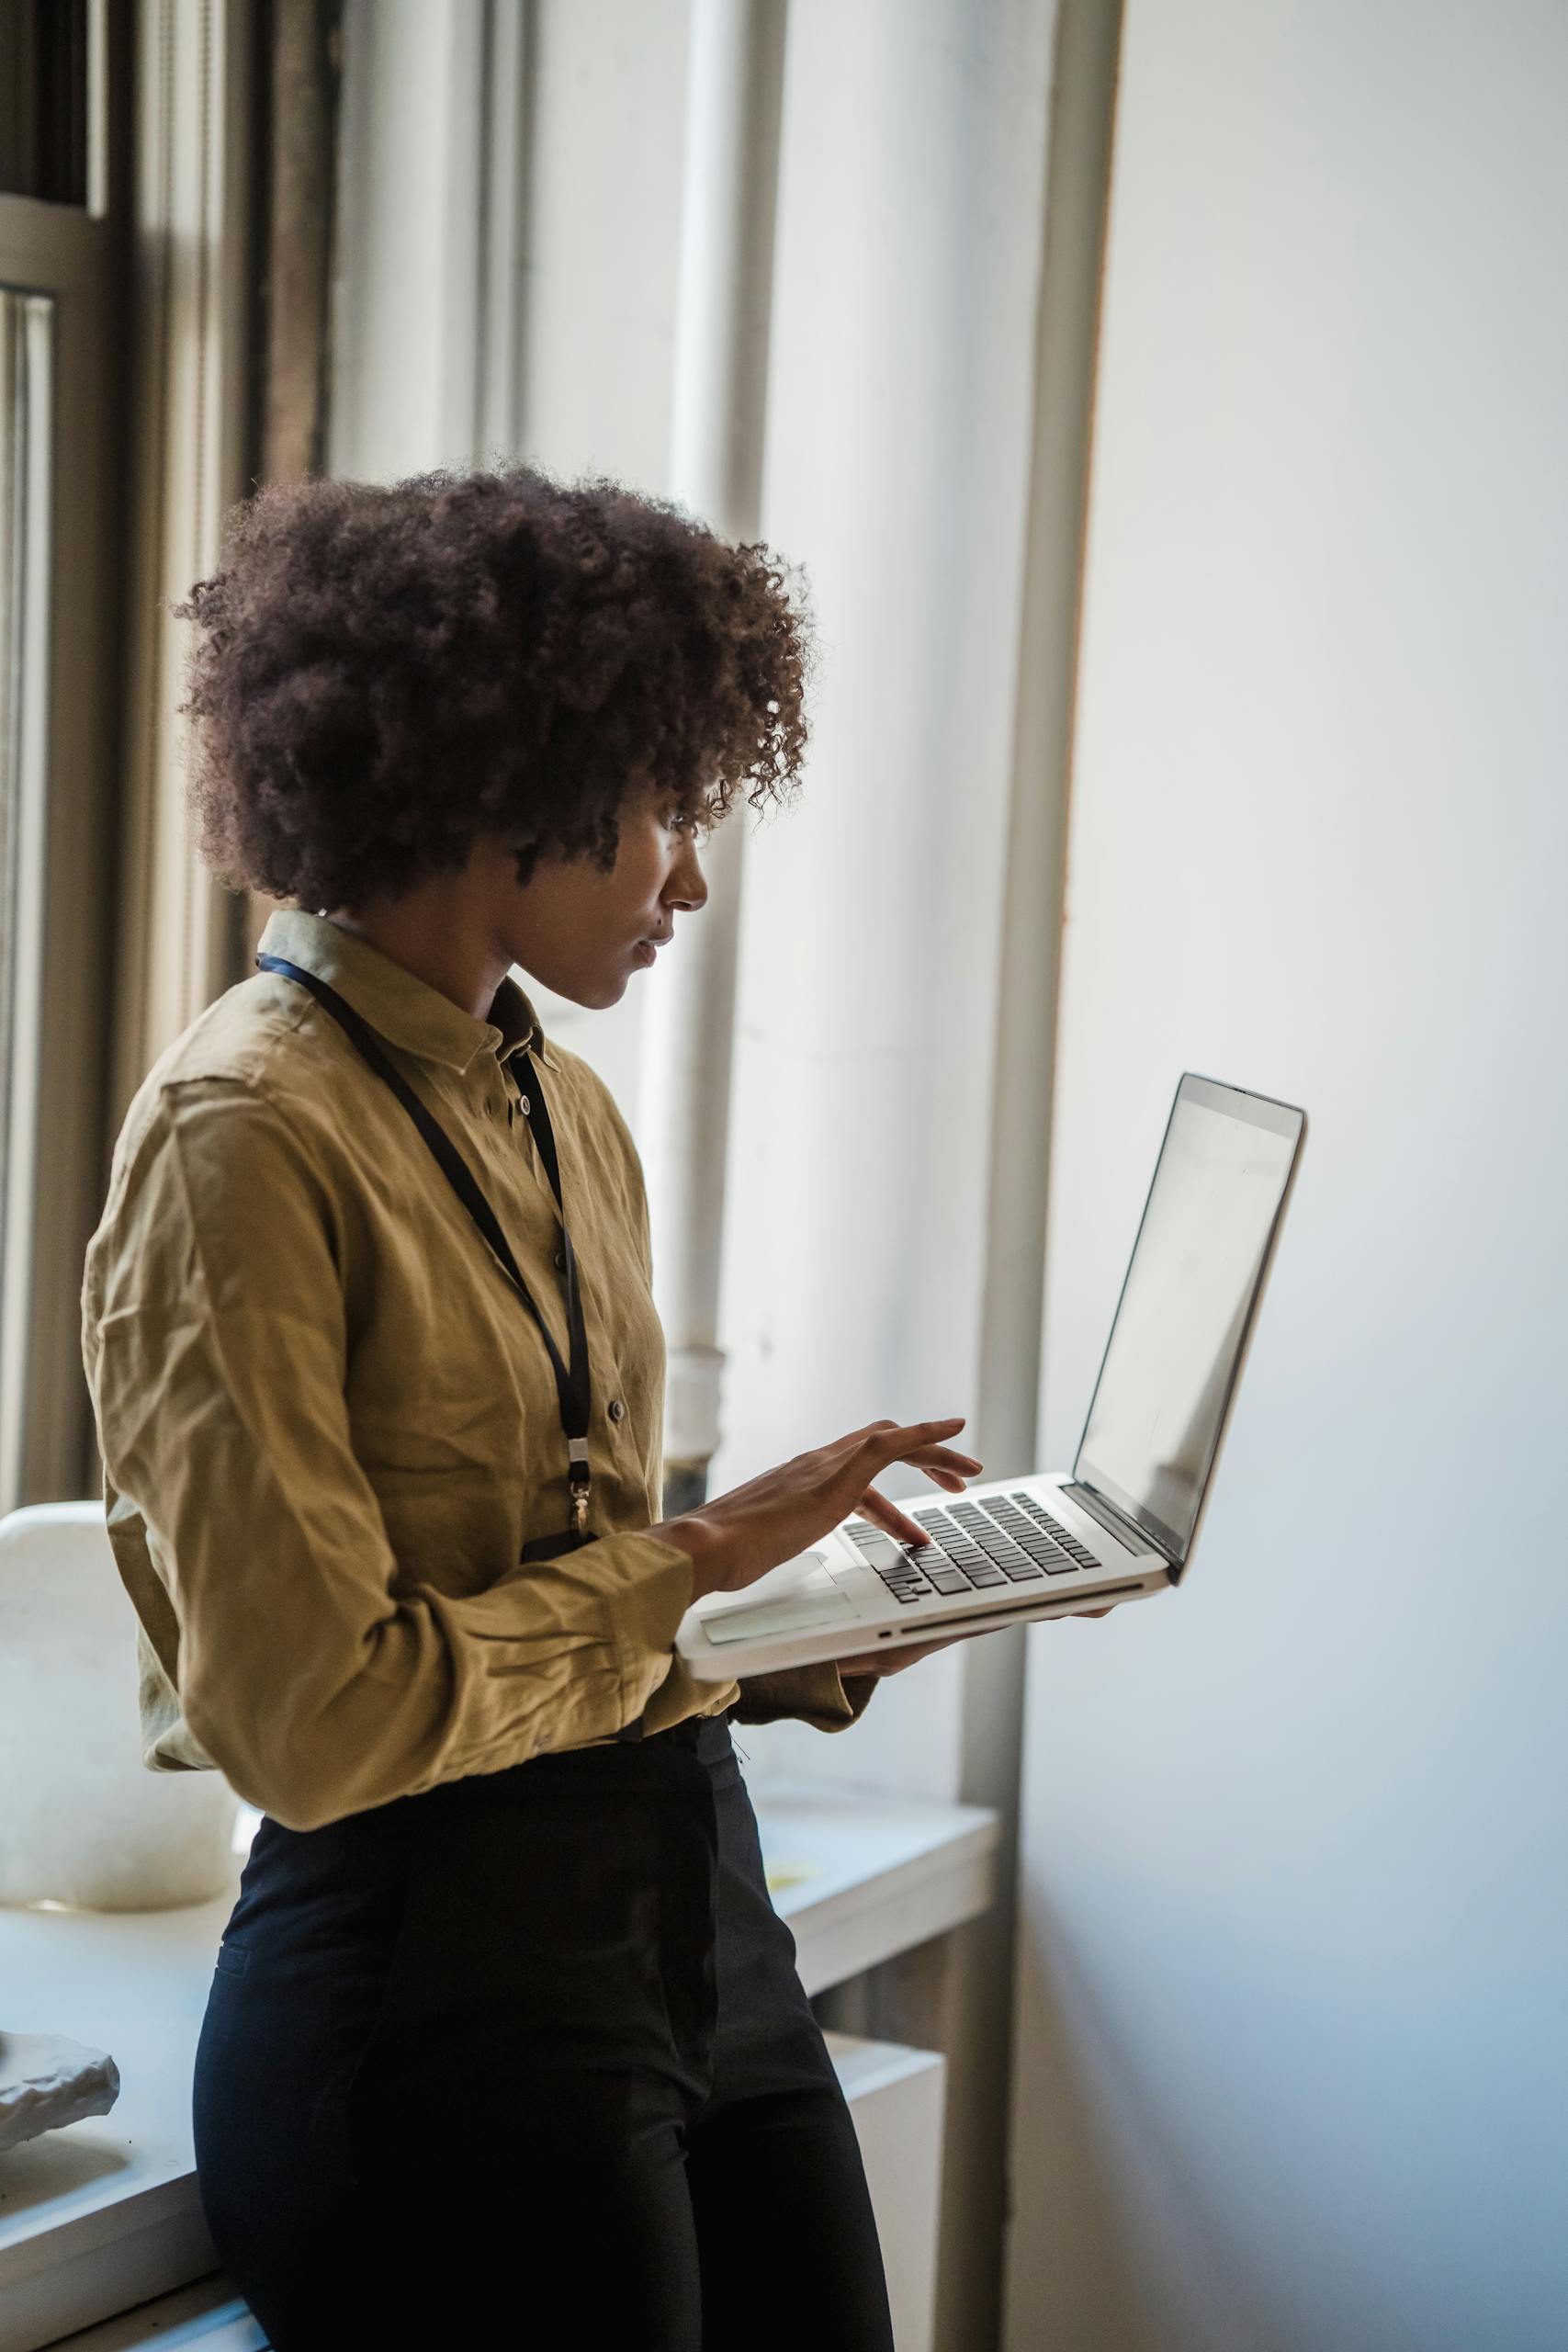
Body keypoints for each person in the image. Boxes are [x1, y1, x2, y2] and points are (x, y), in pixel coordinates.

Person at [81, 464, 987, 2347]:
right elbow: (323, 1724)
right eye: (664, 807)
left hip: (693, 1917)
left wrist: (810, 1615)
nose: (688, 877)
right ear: (511, 783)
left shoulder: (559, 1105)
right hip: (438, 1997)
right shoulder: (243, 1136)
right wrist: (703, 1551)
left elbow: (576, 1589)